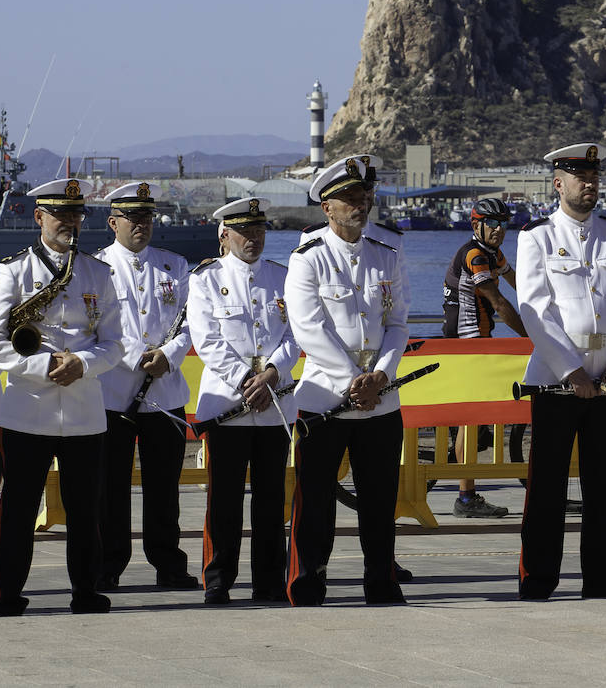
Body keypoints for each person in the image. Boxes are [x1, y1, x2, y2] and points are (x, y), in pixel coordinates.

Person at [0, 178, 126, 615]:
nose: (70, 223)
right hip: (28, 410)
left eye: (76, 215)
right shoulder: (14, 270)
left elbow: (115, 342)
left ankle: (86, 590)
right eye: (60, 215)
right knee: (18, 510)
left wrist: (83, 363)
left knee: (86, 512)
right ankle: (6, 594)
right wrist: (42, 366)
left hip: (83, 410)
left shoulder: (98, 272)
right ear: (39, 217)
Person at [516, 142, 606, 600]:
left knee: (603, 487)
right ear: (558, 183)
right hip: (556, 382)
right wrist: (571, 371)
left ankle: (602, 578)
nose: (589, 185)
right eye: (579, 177)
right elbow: (535, 311)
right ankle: (538, 578)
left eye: (594, 178)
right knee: (547, 486)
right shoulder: (537, 237)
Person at [285, 155, 409, 606]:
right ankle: (307, 582)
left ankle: (381, 582)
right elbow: (308, 329)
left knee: (379, 500)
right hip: (326, 400)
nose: (361, 205)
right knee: (315, 501)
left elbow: (397, 324)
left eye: (365, 197)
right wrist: (353, 379)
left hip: (380, 399)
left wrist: (381, 375)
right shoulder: (308, 259)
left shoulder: (387, 254)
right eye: (350, 198)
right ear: (327, 207)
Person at [188, 196, 299, 604]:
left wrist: (271, 375)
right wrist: (246, 380)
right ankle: (218, 577)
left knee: (272, 499)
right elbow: (206, 340)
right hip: (227, 407)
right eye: (244, 231)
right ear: (224, 234)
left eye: (259, 230)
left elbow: (296, 334)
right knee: (224, 499)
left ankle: (269, 580)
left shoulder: (283, 277)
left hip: (274, 406)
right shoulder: (203, 279)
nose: (253, 238)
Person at [93, 181, 198, 591]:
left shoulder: (175, 266)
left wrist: (169, 356)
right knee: (111, 489)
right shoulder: (98, 267)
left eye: (147, 217)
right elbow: (97, 325)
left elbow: (193, 322)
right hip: (115, 395)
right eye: (133, 218)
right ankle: (109, 563)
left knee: (164, 490)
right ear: (113, 222)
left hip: (166, 396)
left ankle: (168, 563)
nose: (141, 225)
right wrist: (137, 354)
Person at [441, 197, 526, 519]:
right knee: (471, 419)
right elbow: (500, 303)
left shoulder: (493, 254)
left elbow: (520, 283)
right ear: (476, 224)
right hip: (468, 341)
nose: (499, 229)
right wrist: (533, 337)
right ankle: (466, 496)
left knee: (476, 418)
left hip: (479, 339)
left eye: (504, 223)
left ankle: (475, 449)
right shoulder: (476, 255)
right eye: (492, 223)